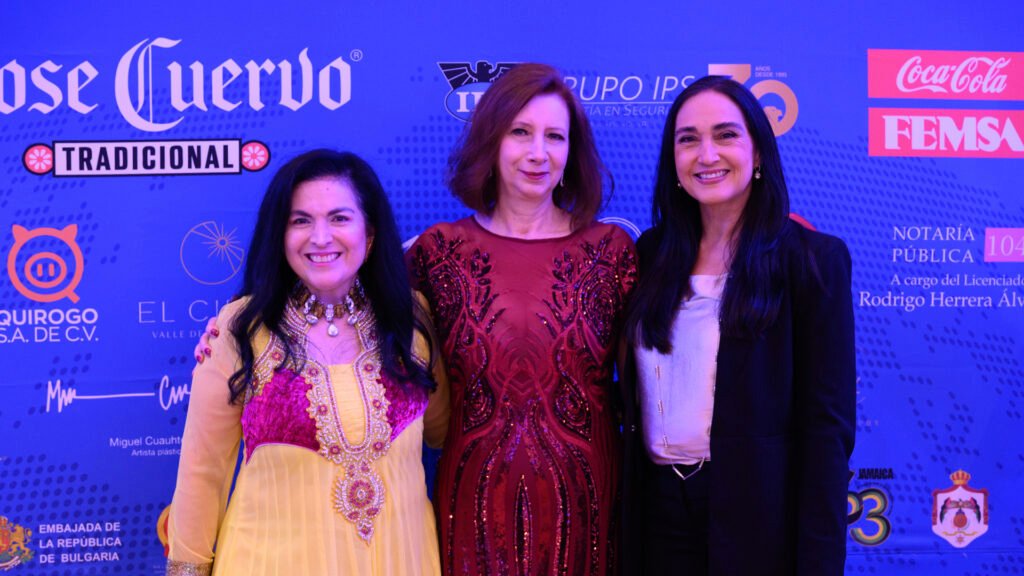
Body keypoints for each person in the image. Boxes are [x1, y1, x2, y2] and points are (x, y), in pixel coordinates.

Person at [167, 149, 449, 576]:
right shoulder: (241, 330)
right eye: (300, 221)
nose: (320, 238)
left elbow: (445, 431)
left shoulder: (410, 320)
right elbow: (202, 473)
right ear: (280, 235)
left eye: (339, 218)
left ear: (370, 233)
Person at [407, 63, 636, 575]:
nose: (538, 153)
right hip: (471, 504)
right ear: (491, 141)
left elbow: (651, 379)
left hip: (587, 504)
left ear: (573, 152)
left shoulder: (611, 252)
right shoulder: (440, 253)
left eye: (555, 136)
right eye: (520, 133)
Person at [620, 76, 855, 575]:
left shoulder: (812, 261)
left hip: (759, 518)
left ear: (759, 152)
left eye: (725, 135)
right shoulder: (650, 255)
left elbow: (827, 429)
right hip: (656, 513)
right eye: (688, 139)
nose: (706, 155)